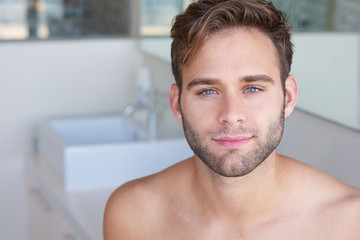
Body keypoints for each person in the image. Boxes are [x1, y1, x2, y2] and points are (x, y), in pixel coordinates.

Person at [103, 0, 360, 239]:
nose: (231, 114)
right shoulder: (133, 215)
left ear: (289, 97)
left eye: (252, 89)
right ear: (176, 104)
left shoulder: (350, 222)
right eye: (208, 91)